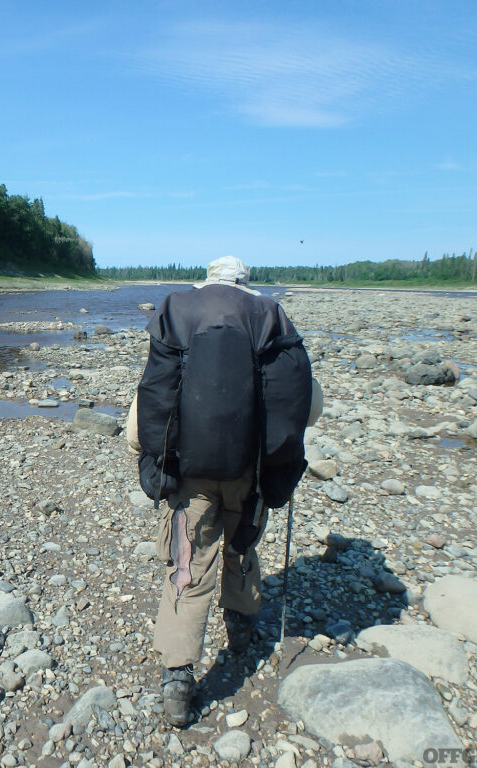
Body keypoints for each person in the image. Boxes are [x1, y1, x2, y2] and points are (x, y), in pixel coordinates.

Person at [126, 255, 322, 728]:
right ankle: (241, 626)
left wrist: (148, 454)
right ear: (244, 282)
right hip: (250, 470)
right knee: (242, 544)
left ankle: (178, 680)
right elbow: (306, 405)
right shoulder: (270, 314)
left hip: (188, 475)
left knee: (187, 563)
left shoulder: (178, 310)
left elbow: (152, 396)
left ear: (208, 280)